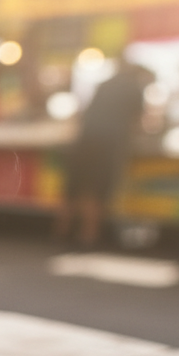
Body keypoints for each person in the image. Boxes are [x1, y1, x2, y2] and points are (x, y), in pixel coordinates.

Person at [57, 63, 151, 248]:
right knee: (96, 190)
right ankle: (88, 236)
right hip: (110, 143)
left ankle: (61, 232)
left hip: (85, 139)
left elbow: (83, 113)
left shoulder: (105, 84)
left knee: (73, 188)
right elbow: (139, 121)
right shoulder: (135, 87)